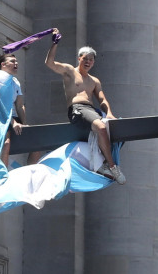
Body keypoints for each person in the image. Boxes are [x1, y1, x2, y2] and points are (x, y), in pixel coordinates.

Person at [45, 29, 126, 184]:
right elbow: (49, 63)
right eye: (85, 58)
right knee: (101, 127)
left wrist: (109, 113)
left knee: (113, 128)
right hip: (77, 109)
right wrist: (55, 43)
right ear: (79, 59)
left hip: (91, 110)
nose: (88, 62)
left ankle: (101, 163)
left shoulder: (94, 80)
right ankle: (112, 166)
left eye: (91, 60)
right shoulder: (69, 71)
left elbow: (102, 99)